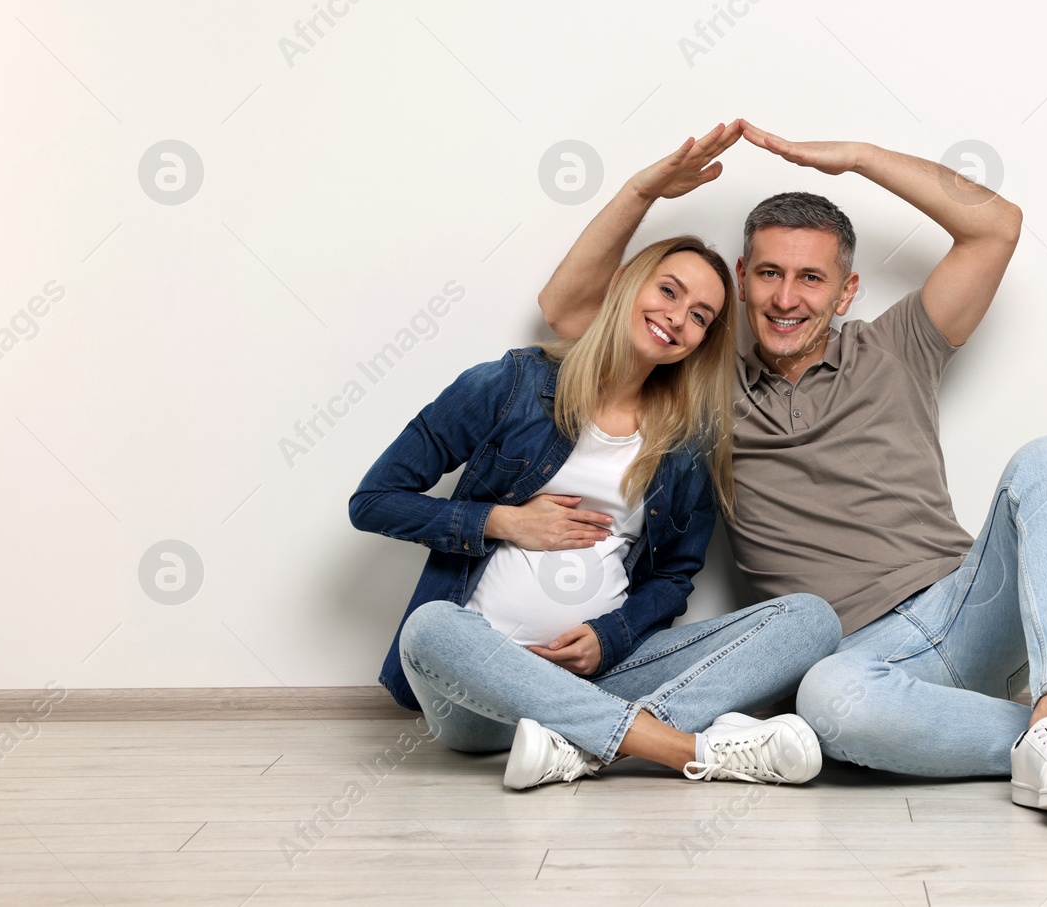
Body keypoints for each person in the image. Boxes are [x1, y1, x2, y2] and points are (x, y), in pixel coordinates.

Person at [537, 120, 1047, 816]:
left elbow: (998, 227)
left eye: (811, 277)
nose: (785, 297)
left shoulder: (897, 343)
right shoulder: (704, 391)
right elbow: (565, 312)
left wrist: (859, 159)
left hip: (967, 608)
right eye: (769, 273)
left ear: (846, 290)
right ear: (742, 280)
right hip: (857, 659)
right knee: (826, 701)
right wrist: (641, 190)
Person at [348, 234, 841, 790]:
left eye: (700, 316)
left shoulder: (686, 442)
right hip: (478, 696)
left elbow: (674, 577)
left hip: (603, 677)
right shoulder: (511, 384)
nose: (677, 318)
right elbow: (373, 502)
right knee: (430, 626)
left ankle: (577, 748)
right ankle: (684, 749)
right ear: (629, 282)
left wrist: (611, 635)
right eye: (669, 291)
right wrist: (503, 521)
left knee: (810, 619)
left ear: (702, 340)